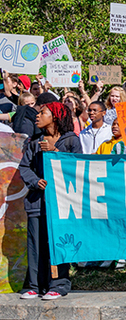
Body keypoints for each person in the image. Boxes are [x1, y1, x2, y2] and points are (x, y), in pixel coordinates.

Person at [18, 102, 83, 300]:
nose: (37, 116)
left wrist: (56, 152)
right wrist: (35, 181)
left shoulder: (71, 141)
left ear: (55, 116)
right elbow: (24, 167)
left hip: (62, 204)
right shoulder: (33, 141)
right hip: (37, 203)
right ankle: (35, 285)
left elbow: (79, 167)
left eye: (42, 113)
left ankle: (59, 284)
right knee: (36, 244)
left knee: (60, 243)